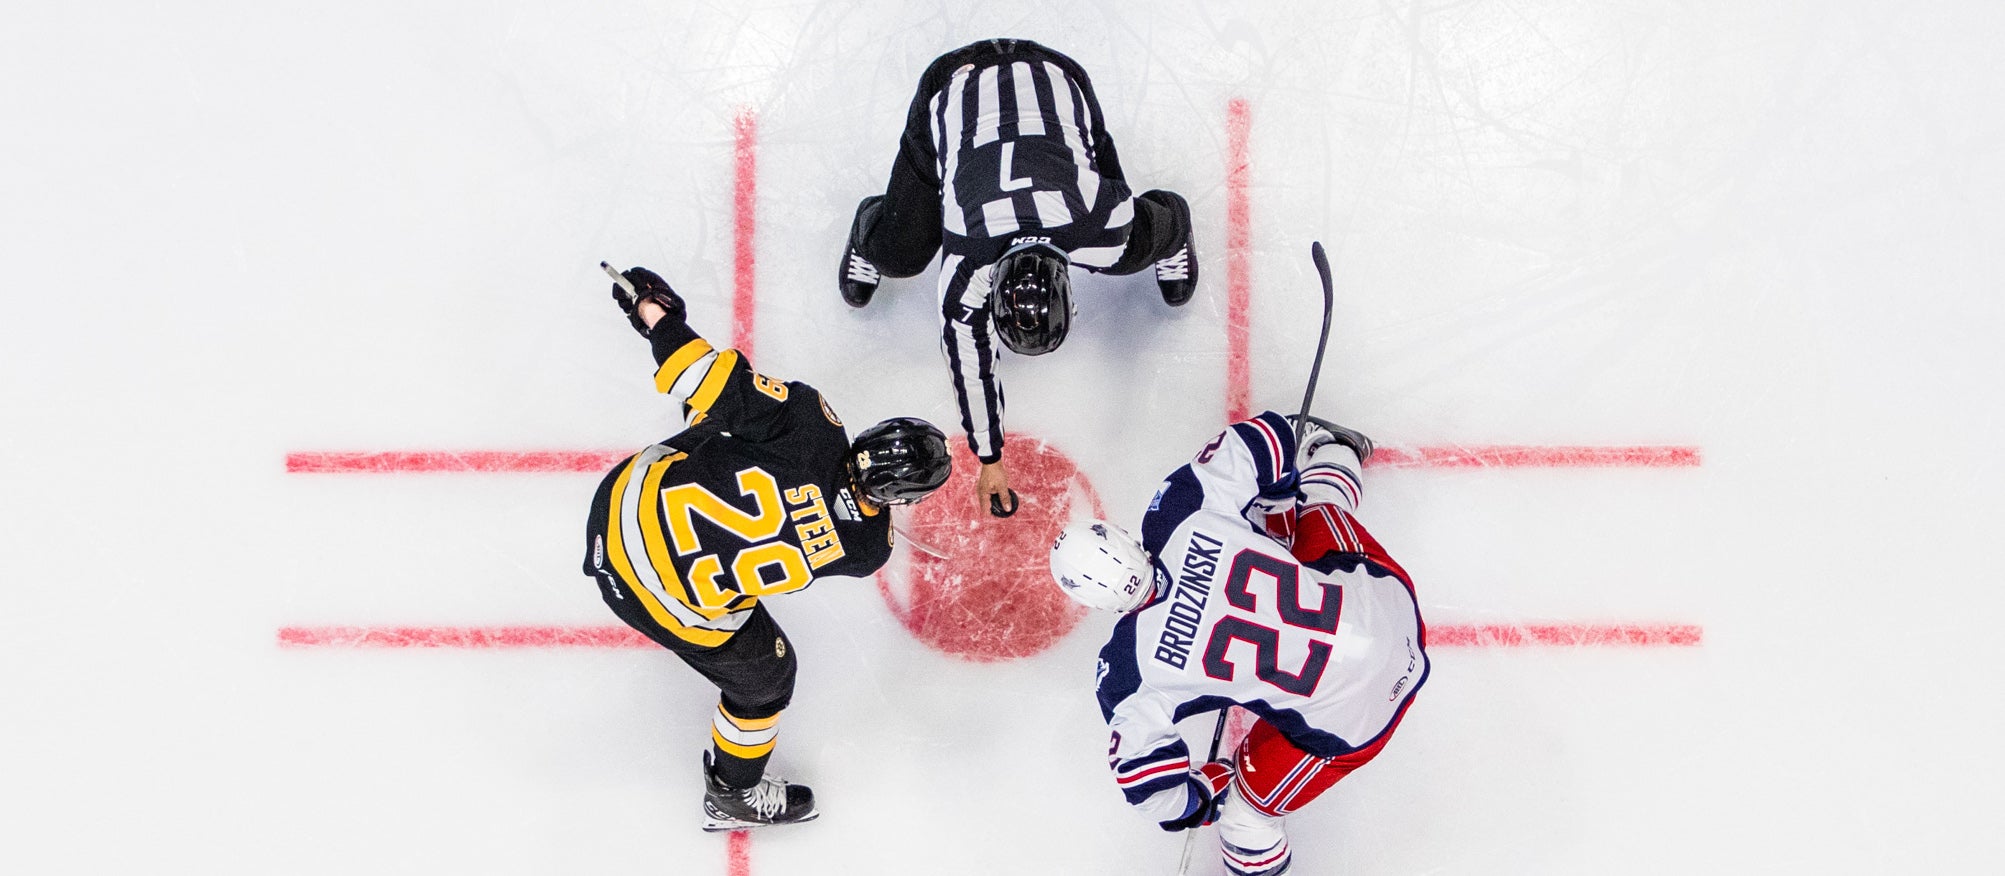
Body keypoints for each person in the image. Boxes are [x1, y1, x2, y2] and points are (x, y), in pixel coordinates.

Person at [584, 264, 952, 830]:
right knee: (768, 683)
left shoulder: (813, 423)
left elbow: (707, 377)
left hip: (620, 505)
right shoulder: (866, 550)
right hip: (648, 598)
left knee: (730, 414)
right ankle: (730, 795)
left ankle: (723, 427)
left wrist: (657, 317)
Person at [1048, 411, 1428, 875]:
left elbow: (1148, 787)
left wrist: (1204, 798)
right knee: (1320, 511)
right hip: (1392, 605)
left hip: (1358, 719)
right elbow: (1267, 437)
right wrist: (1279, 508)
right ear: (1125, 538)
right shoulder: (1179, 511)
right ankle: (1336, 449)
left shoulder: (1128, 670)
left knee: (1245, 820)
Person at [837, 37, 1199, 517]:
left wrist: (991, 457)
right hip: (997, 80)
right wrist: (988, 456)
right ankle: (870, 236)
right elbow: (970, 361)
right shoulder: (993, 255)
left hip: (1033, 79)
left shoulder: (1105, 227)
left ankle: (1168, 237)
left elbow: (972, 359)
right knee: (897, 254)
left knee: (1147, 227)